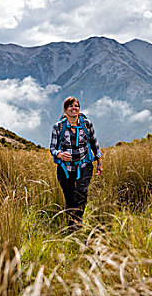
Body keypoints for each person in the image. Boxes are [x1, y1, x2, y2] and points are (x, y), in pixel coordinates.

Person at [50, 96, 102, 230]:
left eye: (76, 106)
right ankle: (70, 225)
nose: (74, 108)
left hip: (84, 165)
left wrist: (99, 163)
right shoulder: (58, 127)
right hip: (65, 168)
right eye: (71, 106)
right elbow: (53, 148)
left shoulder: (87, 124)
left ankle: (77, 225)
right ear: (65, 110)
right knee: (69, 197)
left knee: (81, 193)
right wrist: (59, 154)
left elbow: (94, 144)